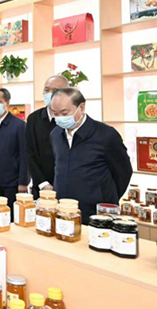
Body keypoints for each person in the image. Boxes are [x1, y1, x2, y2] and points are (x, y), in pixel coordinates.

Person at [50, 87, 133, 220]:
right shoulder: (55, 134)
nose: (59, 118)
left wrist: (106, 197)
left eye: (64, 112)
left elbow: (123, 171)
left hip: (96, 211)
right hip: (64, 209)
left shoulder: (106, 134)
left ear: (81, 108)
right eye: (55, 113)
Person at [26, 75, 69, 199]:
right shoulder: (34, 119)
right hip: (40, 188)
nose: (49, 94)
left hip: (68, 189)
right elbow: (30, 154)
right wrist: (43, 184)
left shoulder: (71, 120)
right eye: (46, 90)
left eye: (55, 91)